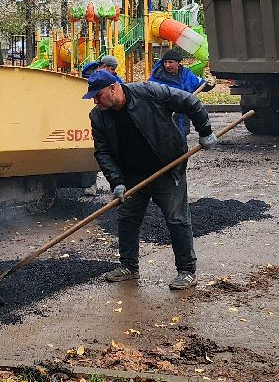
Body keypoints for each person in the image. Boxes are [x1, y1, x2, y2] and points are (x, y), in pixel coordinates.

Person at [84, 69, 220, 290]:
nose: (95, 101)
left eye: (98, 95)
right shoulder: (98, 116)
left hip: (167, 168)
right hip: (132, 175)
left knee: (177, 219)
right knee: (127, 218)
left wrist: (205, 131)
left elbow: (190, 101)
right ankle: (129, 266)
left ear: (112, 88)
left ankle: (186, 271)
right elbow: (103, 152)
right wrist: (116, 181)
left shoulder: (148, 92)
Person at [149, 47, 215, 138]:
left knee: (182, 144)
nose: (167, 65)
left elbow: (201, 84)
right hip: (164, 121)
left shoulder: (186, 75)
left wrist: (210, 84)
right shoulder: (157, 78)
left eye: (170, 62)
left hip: (182, 120)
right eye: (165, 62)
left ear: (178, 63)